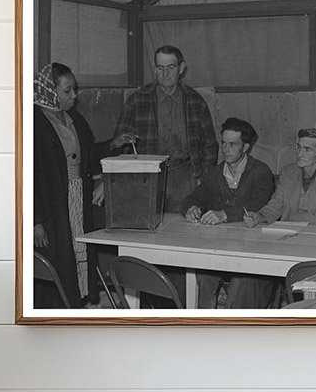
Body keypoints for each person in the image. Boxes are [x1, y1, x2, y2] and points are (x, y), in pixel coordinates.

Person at [110, 45, 218, 213]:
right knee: (148, 228)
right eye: (160, 68)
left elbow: (210, 145)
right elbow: (119, 145)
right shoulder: (137, 101)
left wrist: (203, 177)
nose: (165, 73)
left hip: (185, 177)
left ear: (181, 68)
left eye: (171, 67)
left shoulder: (196, 101)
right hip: (148, 177)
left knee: (183, 231)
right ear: (155, 69)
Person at [32, 62, 105, 308]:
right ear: (50, 91)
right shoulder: (34, 122)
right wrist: (35, 220)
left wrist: (114, 144)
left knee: (77, 251)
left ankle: (77, 301)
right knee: (58, 257)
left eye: (74, 90)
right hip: (51, 204)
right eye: (67, 91)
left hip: (76, 197)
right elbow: (27, 175)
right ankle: (57, 309)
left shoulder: (73, 118)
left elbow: (88, 154)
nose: (74, 96)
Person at [182, 118, 275, 308]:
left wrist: (224, 214)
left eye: (232, 144)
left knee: (243, 281)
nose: (225, 149)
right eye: (223, 143)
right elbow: (192, 198)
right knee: (202, 274)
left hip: (250, 250)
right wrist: (189, 209)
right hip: (218, 249)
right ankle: (203, 326)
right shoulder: (215, 173)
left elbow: (258, 204)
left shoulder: (261, 172)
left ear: (246, 147)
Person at [243, 128, 316, 227]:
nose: (300, 154)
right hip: (288, 233)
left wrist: (294, 217)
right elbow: (276, 205)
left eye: (307, 149)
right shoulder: (287, 172)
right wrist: (259, 216)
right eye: (299, 147)